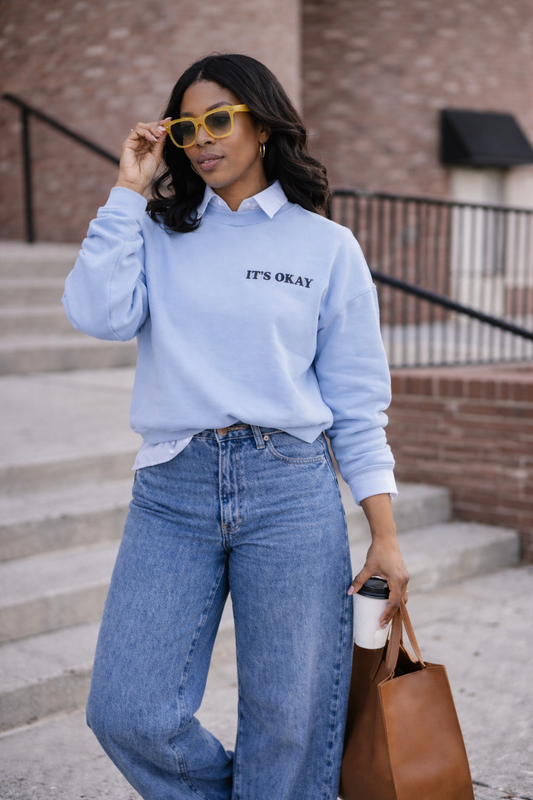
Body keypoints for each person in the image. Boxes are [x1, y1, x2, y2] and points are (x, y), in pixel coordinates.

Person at [62, 53, 409, 800]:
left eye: (218, 119)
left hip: (289, 487)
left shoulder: (324, 247)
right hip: (172, 487)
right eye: (186, 126)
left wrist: (383, 532)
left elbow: (357, 402)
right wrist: (127, 190)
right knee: (127, 711)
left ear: (261, 123)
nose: (200, 139)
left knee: (288, 723)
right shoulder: (155, 231)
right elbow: (95, 313)